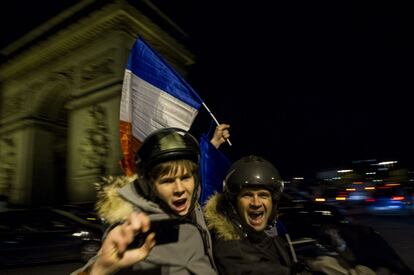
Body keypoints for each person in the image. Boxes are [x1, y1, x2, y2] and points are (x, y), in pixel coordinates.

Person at [72, 125, 229, 275]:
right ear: (150, 186)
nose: (180, 188)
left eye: (185, 177)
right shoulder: (140, 229)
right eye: (167, 181)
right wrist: (99, 269)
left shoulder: (187, 205)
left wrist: (211, 147)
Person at [203, 155, 376, 275]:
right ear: (234, 203)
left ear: (273, 201)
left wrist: (309, 263)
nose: (256, 202)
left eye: (263, 195)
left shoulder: (257, 236)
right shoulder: (231, 248)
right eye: (247, 195)